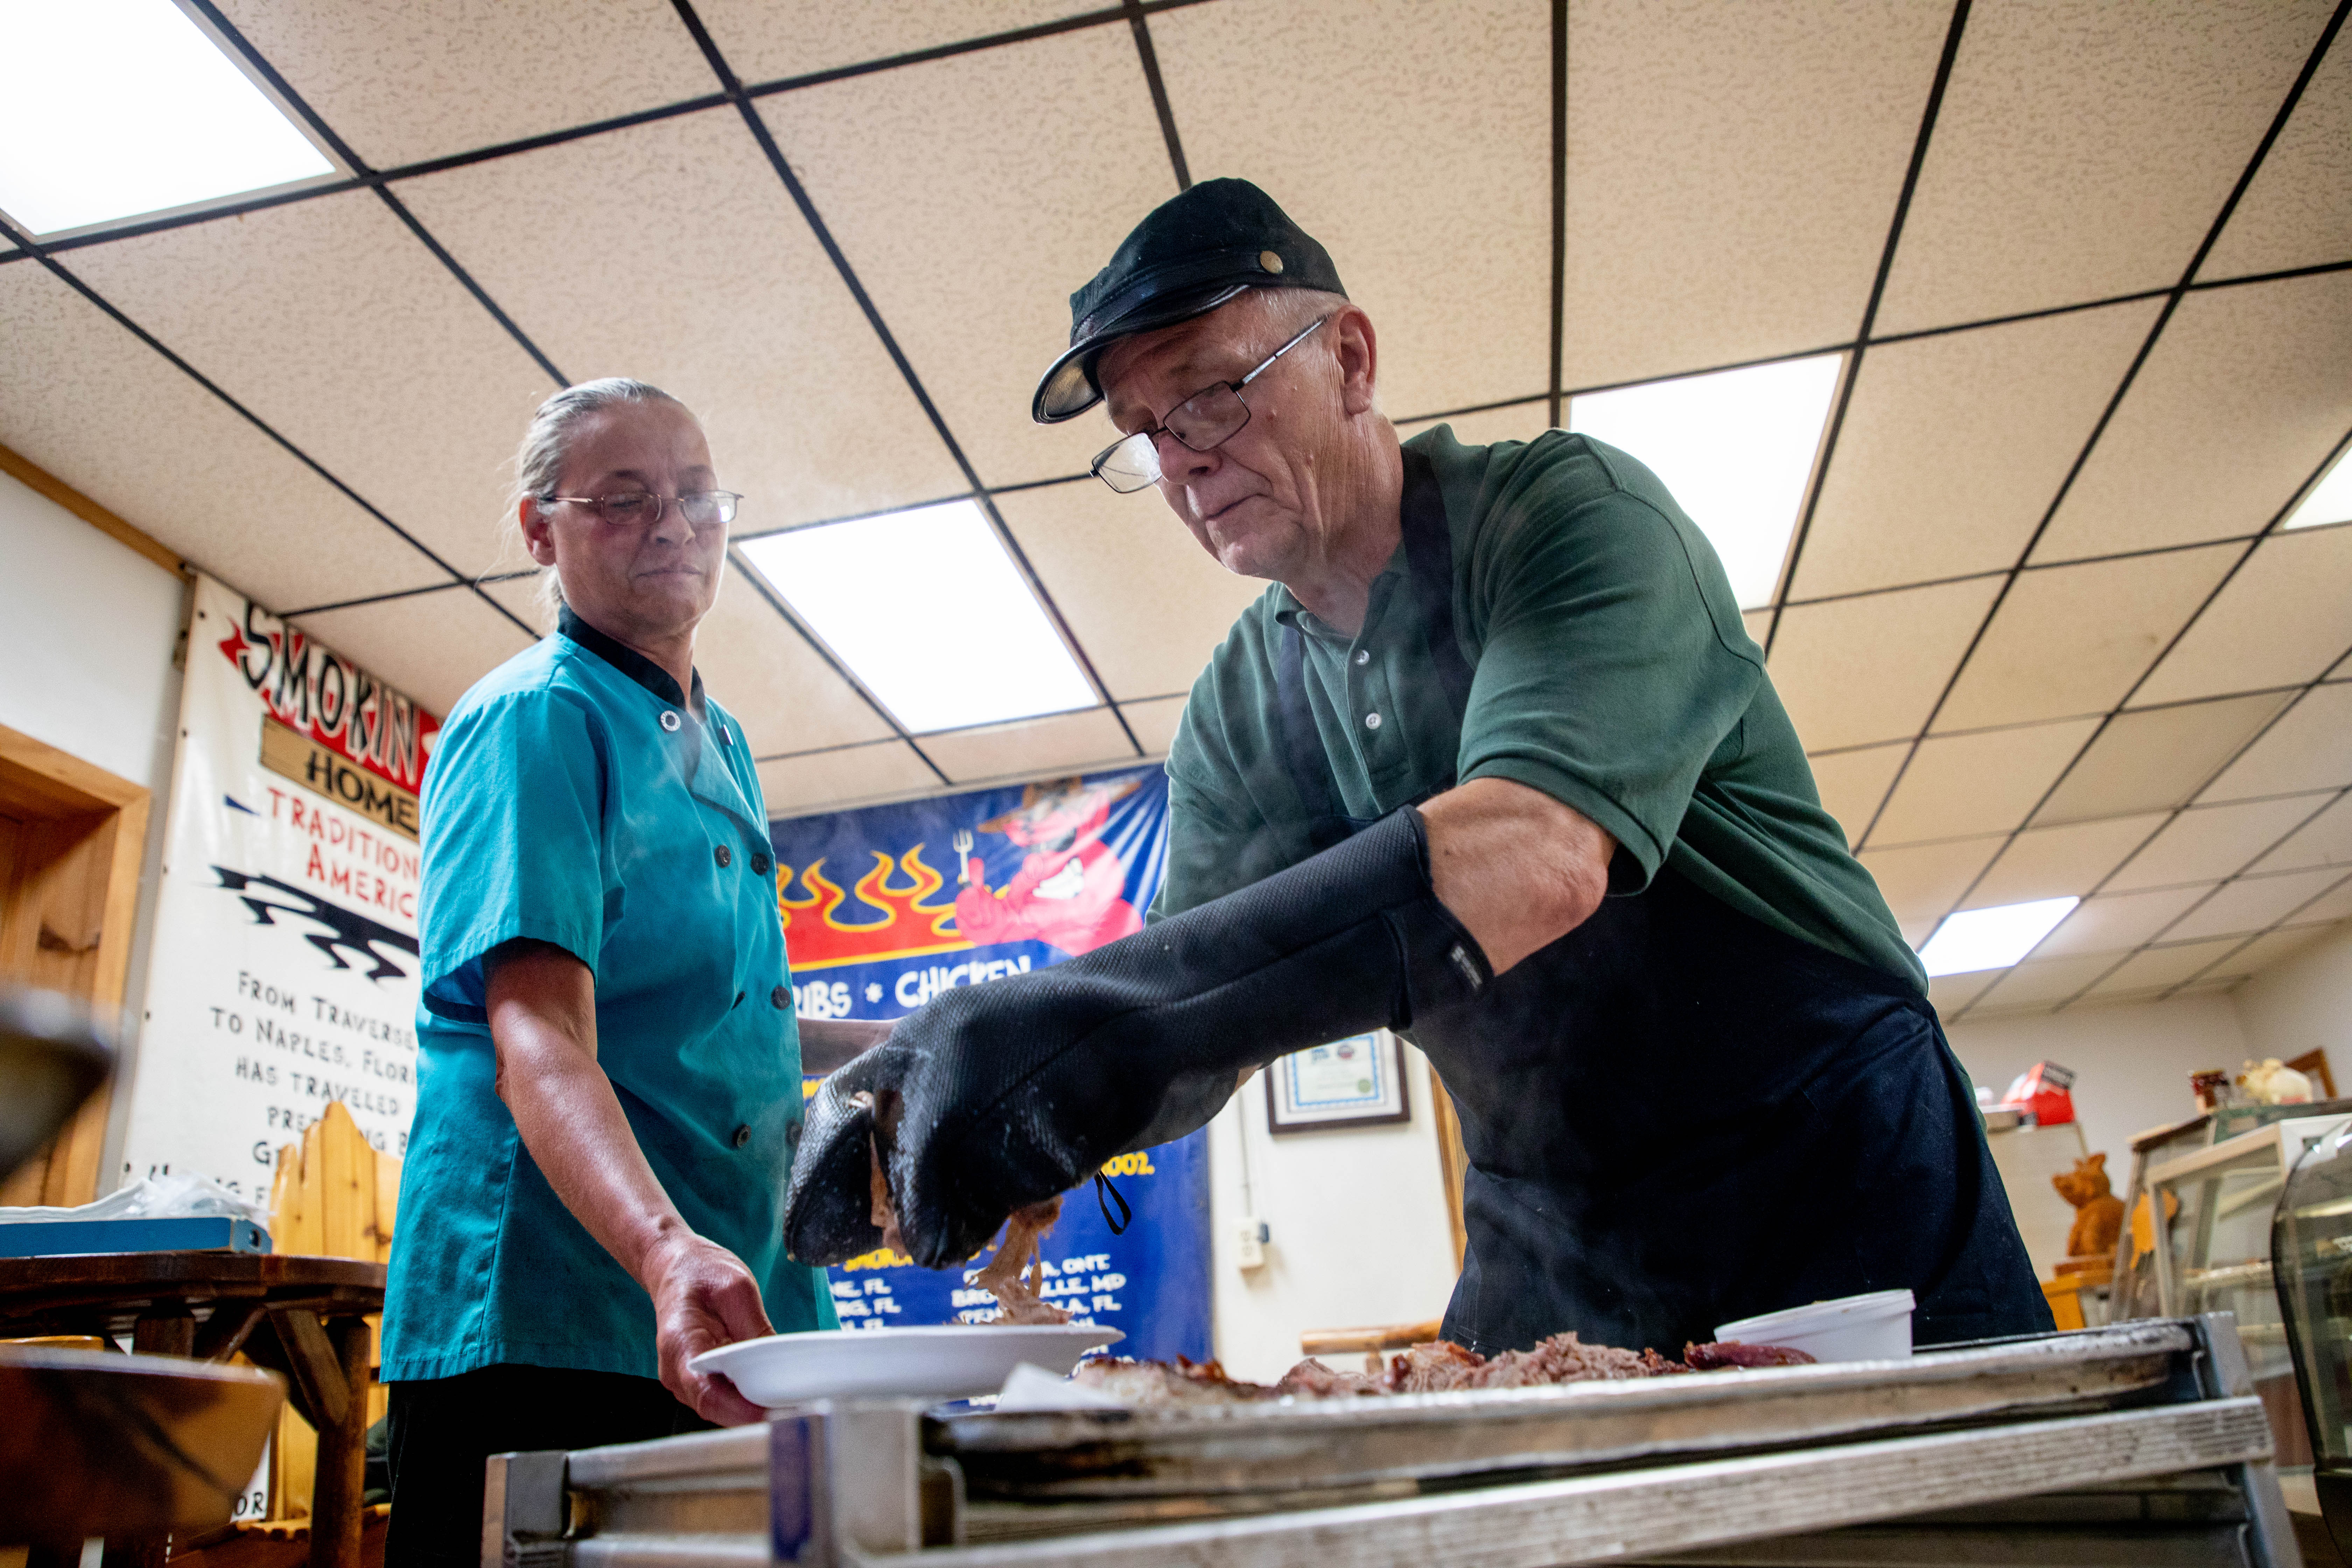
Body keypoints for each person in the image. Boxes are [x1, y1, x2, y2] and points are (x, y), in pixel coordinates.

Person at [784, 181, 2051, 1356]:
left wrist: (1076, 1035)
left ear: (1350, 360)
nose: (1183, 461)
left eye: (1212, 395)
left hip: (1824, 1160)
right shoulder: (1242, 704)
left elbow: (1532, 861)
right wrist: (981, 1081)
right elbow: (1190, 1028)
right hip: (1548, 1217)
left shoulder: (1566, 517)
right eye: (1147, 434)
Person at [380, 379, 877, 1566]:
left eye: (697, 495)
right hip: (555, 1311)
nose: (672, 524)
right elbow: (541, 1031)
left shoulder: (725, 739)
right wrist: (661, 1247)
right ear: (539, 529)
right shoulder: (534, 719)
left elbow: (725, 1020)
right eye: (623, 500)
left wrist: (927, 1041)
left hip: (726, 1301)